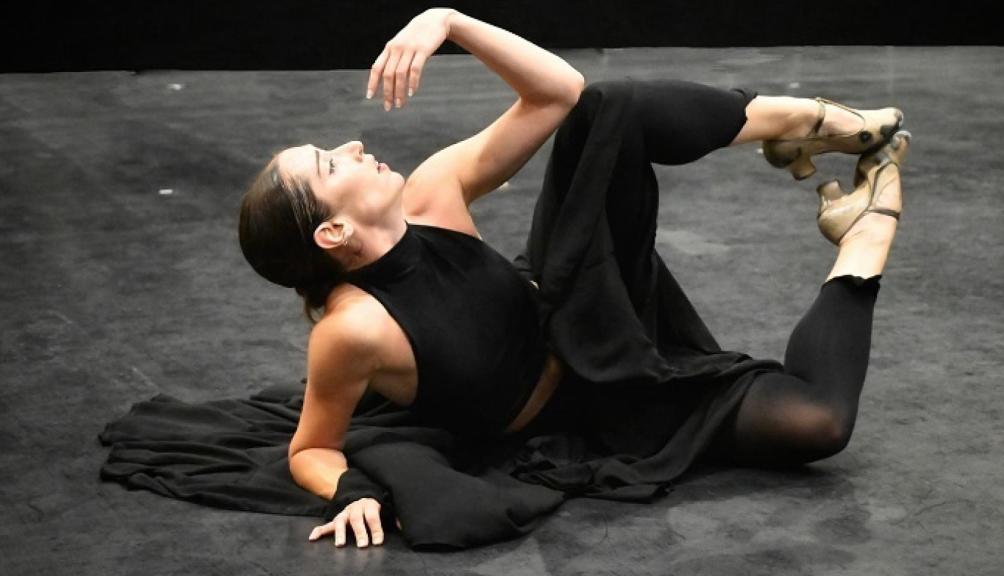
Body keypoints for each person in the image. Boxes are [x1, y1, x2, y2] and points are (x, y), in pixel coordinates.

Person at [235, 8, 909, 549]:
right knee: (818, 423)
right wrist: (349, 490)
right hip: (596, 413)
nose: (353, 146)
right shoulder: (351, 328)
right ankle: (864, 232)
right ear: (333, 234)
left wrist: (449, 20)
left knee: (608, 109)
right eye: (331, 164)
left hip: (585, 311)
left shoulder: (431, 192)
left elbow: (558, 92)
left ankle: (803, 120)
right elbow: (312, 446)